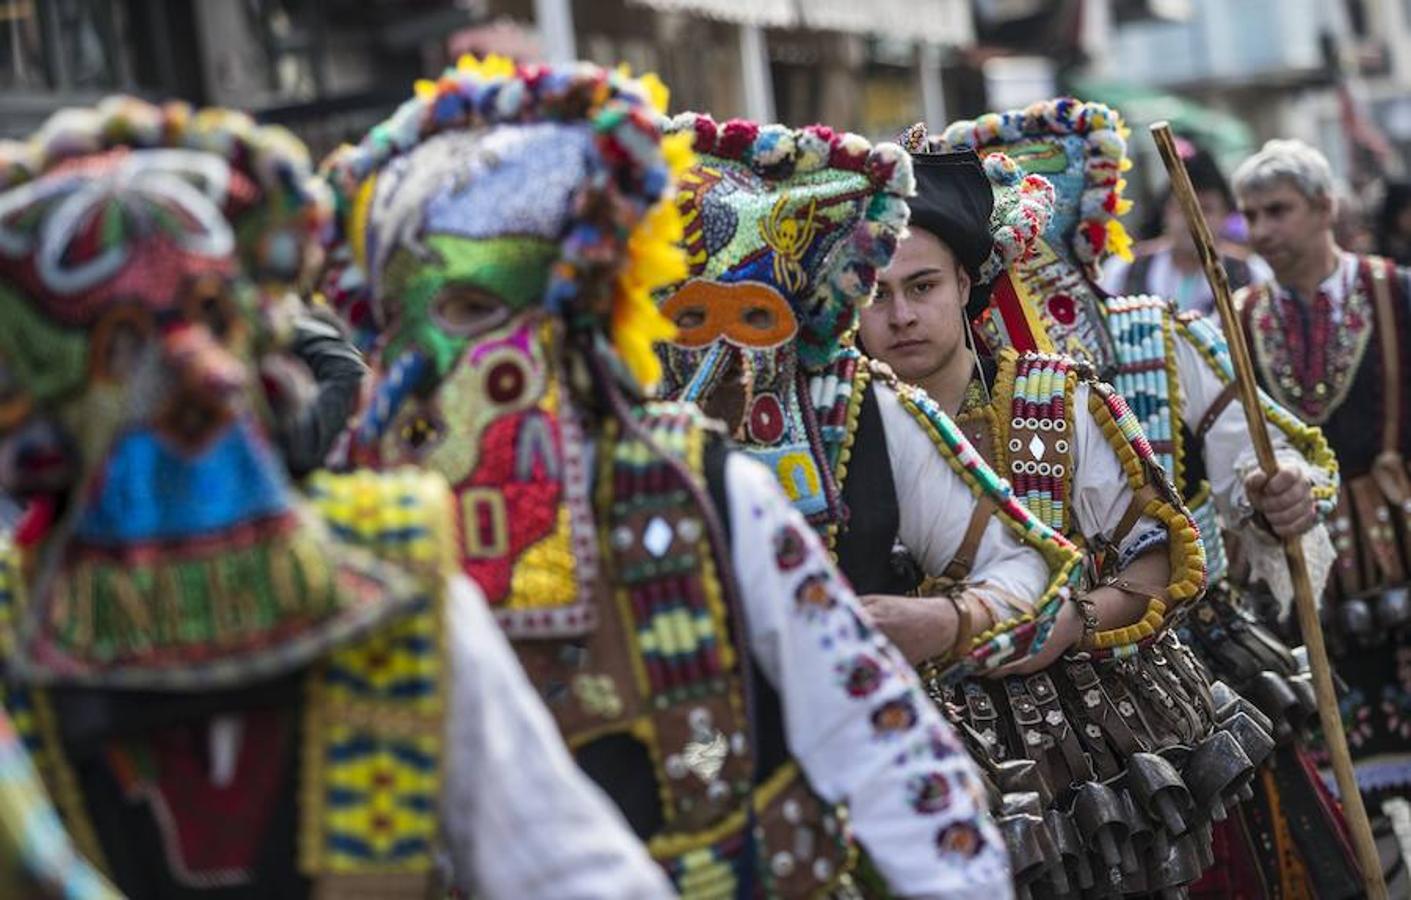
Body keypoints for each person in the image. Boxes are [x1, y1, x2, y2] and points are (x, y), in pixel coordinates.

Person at [327, 58, 1010, 898]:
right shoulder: (353, 532)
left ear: (576, 313)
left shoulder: (698, 487)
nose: (440, 358)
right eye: (405, 319)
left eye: (479, 310)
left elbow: (876, 738)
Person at [0, 95, 673, 898]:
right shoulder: (16, 629)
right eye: (126, 346)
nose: (198, 376)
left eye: (212, 319)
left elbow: (573, 873)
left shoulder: (397, 578)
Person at [936, 101, 1376, 897]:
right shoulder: (925, 394)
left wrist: (1269, 492)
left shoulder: (1151, 333)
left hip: (1189, 670)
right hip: (1008, 722)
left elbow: (1269, 449)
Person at [858, 135, 1275, 895]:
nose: (900, 316)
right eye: (875, 294)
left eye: (921, 287)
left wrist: (1075, 620)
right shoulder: (832, 438)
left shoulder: (1059, 398)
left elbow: (1161, 554)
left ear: (965, 283)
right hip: (921, 762)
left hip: (1100, 745)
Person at [1233, 137, 1411, 876]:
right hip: (1304, 563)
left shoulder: (1392, 289)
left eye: (1277, 210)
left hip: (1400, 538)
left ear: (1324, 208)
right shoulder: (1238, 317)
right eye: (1249, 216)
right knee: (1342, 764)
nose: (1261, 230)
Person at [1100, 143, 1267, 316]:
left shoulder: (1252, 274)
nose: (1194, 220)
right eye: (1183, 208)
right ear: (1165, 212)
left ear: (1225, 215)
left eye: (1206, 209)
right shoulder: (1123, 269)